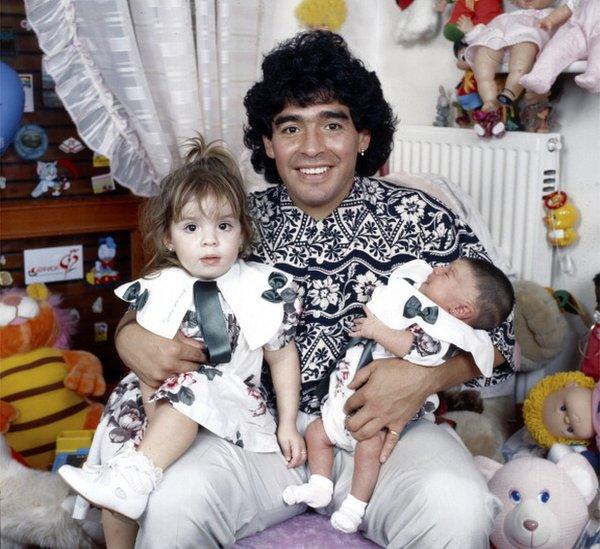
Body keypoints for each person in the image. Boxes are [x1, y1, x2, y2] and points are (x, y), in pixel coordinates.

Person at [110, 31, 515, 548]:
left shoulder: (420, 216)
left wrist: (424, 378)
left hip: (388, 436)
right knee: (173, 504)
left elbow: (505, 338)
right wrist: (129, 339)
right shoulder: (237, 220)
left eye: (332, 123)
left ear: (363, 136)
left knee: (457, 508)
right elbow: (156, 293)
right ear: (268, 143)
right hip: (257, 434)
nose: (311, 147)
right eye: (290, 127)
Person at [64, 137, 305, 542]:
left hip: (231, 401)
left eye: (223, 226)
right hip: (156, 403)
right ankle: (126, 491)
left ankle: (133, 478)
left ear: (243, 234)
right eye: (192, 227)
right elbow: (147, 365)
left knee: (189, 387)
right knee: (123, 476)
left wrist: (287, 425)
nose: (209, 241)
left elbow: (282, 359)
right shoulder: (160, 286)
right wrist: (152, 418)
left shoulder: (260, 286)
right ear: (169, 238)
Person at [282, 257, 515, 533]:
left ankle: (355, 506)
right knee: (317, 432)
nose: (438, 268)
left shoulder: (442, 330)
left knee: (370, 450)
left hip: (379, 416)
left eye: (448, 273)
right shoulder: (414, 291)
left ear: (461, 309)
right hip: (336, 401)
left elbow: (413, 347)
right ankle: (320, 485)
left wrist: (376, 330)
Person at [458, 0, 577, 112]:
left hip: (525, 41)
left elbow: (567, 32)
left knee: (522, 58)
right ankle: (489, 99)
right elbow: (486, 33)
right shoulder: (506, 16)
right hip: (497, 42)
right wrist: (471, 31)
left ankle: (510, 92)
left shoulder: (552, 14)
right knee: (482, 62)